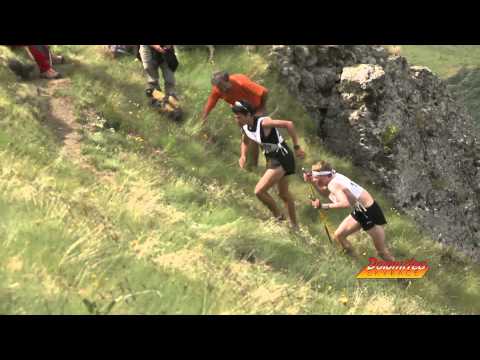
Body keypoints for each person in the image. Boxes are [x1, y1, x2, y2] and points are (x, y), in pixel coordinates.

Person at [232, 100, 305, 229]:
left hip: (282, 156)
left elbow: (289, 124)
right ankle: (295, 226)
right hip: (272, 158)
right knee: (283, 194)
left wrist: (297, 147)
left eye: (239, 117)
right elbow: (245, 141)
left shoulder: (264, 122)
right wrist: (243, 155)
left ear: (248, 115)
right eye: (235, 117)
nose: (236, 120)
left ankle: (279, 218)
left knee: (259, 191)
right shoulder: (244, 127)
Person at [303, 160, 395, 261]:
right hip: (361, 210)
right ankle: (357, 261)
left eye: (316, 178)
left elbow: (344, 204)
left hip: (370, 213)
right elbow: (327, 194)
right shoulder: (334, 176)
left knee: (382, 252)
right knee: (339, 236)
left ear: (325, 175)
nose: (315, 180)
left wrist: (322, 206)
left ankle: (402, 276)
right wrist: (312, 182)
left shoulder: (333, 184)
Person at [203, 71, 269, 167]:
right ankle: (251, 164)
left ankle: (270, 162)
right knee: (248, 136)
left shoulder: (241, 83)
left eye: (222, 86)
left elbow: (264, 92)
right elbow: (210, 103)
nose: (220, 89)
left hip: (256, 108)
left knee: (260, 137)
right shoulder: (218, 88)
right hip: (241, 112)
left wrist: (262, 108)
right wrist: (204, 118)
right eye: (218, 87)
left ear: (228, 80)